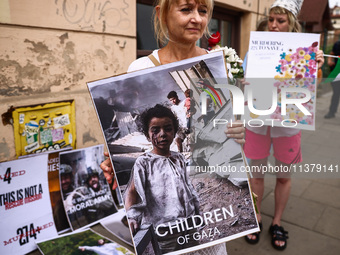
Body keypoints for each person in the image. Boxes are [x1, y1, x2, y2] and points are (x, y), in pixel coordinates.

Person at [101, 0, 246, 254]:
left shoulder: (218, 63)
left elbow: (231, 118)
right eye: (186, 9)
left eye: (203, 11)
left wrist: (240, 132)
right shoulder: (140, 68)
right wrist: (110, 164)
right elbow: (135, 192)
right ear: (163, 14)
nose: (198, 19)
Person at [243, 0, 324, 251]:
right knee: (256, 175)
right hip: (257, 121)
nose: (274, 25)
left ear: (291, 23)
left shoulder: (305, 50)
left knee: (283, 177)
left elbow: (311, 89)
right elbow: (244, 82)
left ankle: (276, 222)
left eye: (281, 20)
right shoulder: (256, 50)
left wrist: (316, 67)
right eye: (271, 20)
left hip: (288, 124)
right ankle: (256, 217)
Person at [124, 104, 200, 253]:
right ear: (147, 134)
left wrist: (196, 213)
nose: (162, 134)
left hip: (188, 226)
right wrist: (131, 217)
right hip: (165, 231)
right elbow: (132, 192)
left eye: (168, 128)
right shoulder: (144, 162)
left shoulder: (179, 158)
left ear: (174, 131)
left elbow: (187, 187)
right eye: (155, 130)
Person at [325, 40, 340, 119]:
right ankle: (332, 111)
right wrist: (329, 61)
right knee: (336, 93)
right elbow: (332, 53)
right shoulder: (337, 44)